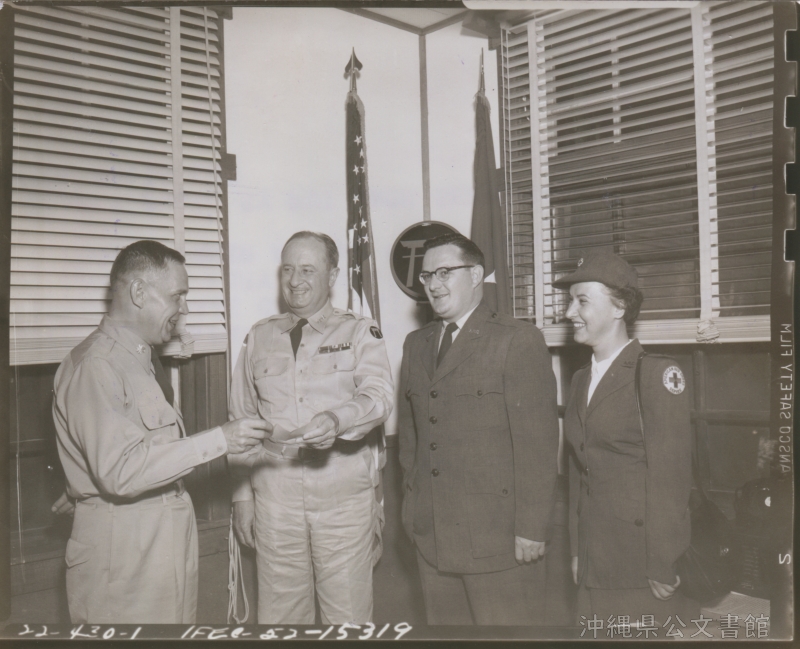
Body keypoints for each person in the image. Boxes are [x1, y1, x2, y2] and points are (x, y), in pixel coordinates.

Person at [52, 240, 268, 624]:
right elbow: (120, 471)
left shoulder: (137, 359)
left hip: (156, 542)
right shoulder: (97, 365)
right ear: (139, 292)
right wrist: (221, 439)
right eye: (177, 296)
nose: (184, 308)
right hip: (123, 555)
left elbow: (126, 451)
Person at [228, 231, 393, 624]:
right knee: (280, 619)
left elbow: (380, 395)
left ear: (332, 275)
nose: (295, 280)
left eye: (307, 270)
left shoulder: (358, 331)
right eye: (287, 269)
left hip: (342, 499)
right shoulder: (259, 336)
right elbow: (239, 422)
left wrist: (338, 419)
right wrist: (242, 499)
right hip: (274, 500)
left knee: (348, 620)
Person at [397, 233, 559, 625]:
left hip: (497, 540)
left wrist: (532, 528)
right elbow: (410, 440)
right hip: (432, 538)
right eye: (427, 276)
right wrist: (411, 513)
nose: (433, 285)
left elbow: (537, 445)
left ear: (475, 275)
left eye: (444, 272)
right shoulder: (416, 344)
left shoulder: (516, 339)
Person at [553, 250, 697, 627]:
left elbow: (671, 478)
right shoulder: (580, 379)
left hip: (640, 565)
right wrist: (576, 549)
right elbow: (578, 473)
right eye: (570, 301)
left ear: (619, 307)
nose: (569, 312)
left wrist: (663, 561)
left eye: (582, 301)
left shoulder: (654, 375)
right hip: (592, 559)